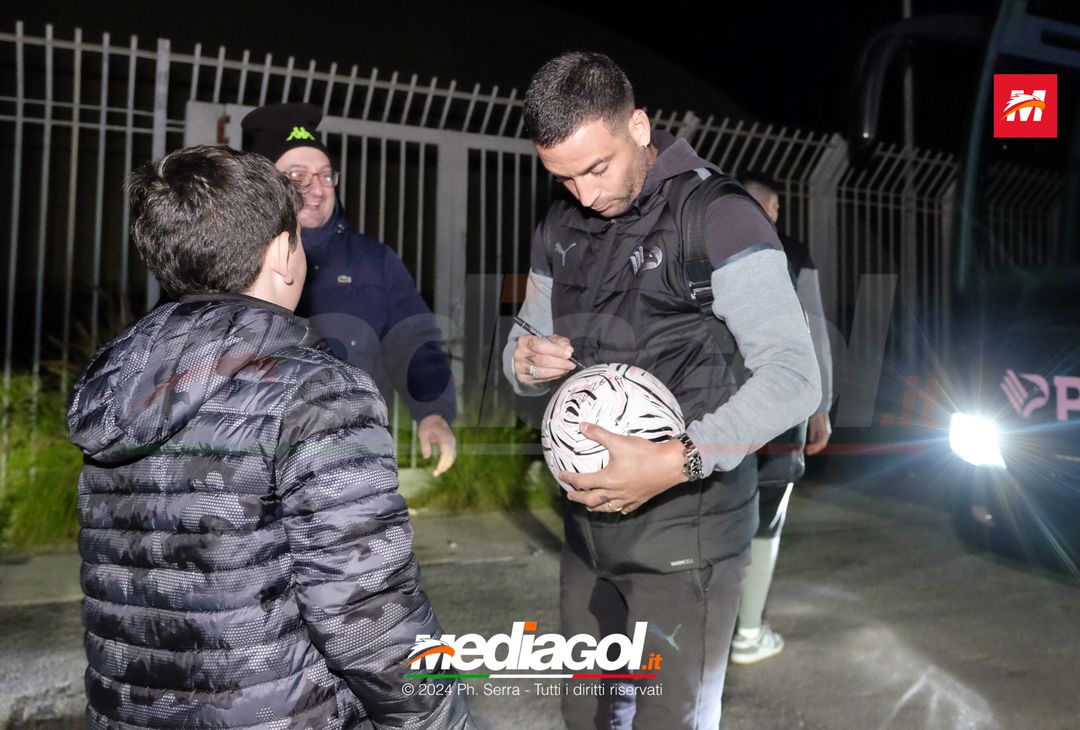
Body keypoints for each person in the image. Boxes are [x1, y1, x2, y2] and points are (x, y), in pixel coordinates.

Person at [67, 145, 472, 729]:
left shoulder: (118, 385)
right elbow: (366, 613)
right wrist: (442, 718)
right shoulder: (319, 393)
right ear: (285, 252)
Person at [502, 52, 820, 728]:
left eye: (597, 168)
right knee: (587, 717)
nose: (584, 194)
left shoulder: (720, 217)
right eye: (561, 177)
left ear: (639, 127)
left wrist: (680, 459)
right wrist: (522, 359)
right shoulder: (557, 225)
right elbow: (521, 339)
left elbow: (796, 379)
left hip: (690, 540)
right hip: (588, 535)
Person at [241, 102, 458, 477]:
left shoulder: (374, 261)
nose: (317, 188)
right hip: (253, 464)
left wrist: (433, 411)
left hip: (354, 462)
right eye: (297, 175)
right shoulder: (228, 260)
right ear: (265, 185)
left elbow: (414, 340)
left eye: (326, 175)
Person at [728, 171, 835, 664]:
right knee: (767, 518)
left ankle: (714, 626)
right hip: (780, 409)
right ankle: (747, 633)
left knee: (718, 515)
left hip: (720, 409)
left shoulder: (708, 247)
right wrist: (821, 406)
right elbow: (814, 331)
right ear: (773, 209)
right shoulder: (793, 254)